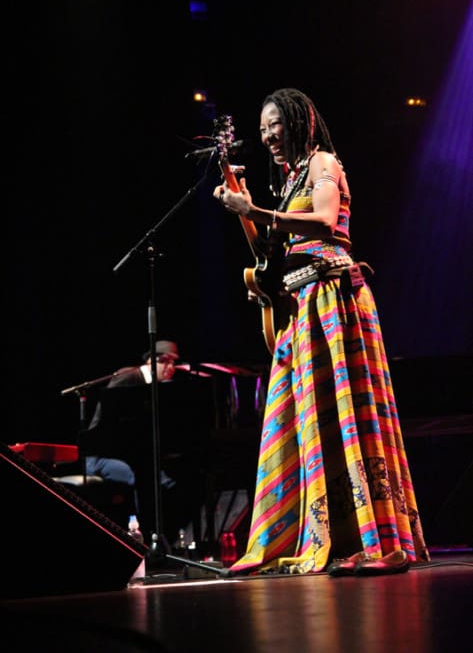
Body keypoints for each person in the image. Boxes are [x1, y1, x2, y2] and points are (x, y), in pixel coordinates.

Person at [213, 87, 430, 576]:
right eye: (262, 126)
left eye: (275, 124)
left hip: (333, 301)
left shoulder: (323, 162)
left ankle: (376, 542)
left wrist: (256, 212)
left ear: (299, 122)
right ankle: (286, 538)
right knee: (294, 422)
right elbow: (272, 251)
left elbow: (328, 222)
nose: (267, 134)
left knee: (346, 420)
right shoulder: (287, 182)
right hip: (300, 309)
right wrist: (247, 213)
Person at [84, 339, 180, 536]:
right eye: (165, 361)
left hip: (129, 454)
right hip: (100, 456)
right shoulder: (128, 377)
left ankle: (164, 536)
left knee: (163, 478)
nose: (171, 367)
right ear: (150, 362)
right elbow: (105, 425)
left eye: (174, 363)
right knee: (135, 476)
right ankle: (138, 534)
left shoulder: (157, 387)